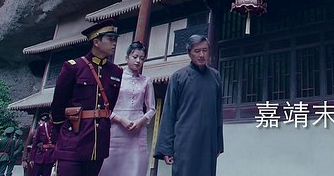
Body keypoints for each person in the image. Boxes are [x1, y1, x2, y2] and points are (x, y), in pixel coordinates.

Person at [50, 19, 122, 176]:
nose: (114, 43)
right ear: (96, 42)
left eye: (115, 39)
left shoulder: (116, 72)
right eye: (110, 39)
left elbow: (111, 105)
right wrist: (61, 135)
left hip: (98, 142)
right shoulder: (73, 67)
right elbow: (58, 105)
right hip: (72, 139)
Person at [154, 35, 223, 176]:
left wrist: (218, 143)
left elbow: (218, 113)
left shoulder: (215, 76)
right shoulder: (178, 77)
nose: (202, 55)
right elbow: (169, 113)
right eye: (197, 51)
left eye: (205, 50)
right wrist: (167, 148)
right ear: (189, 53)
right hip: (185, 140)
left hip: (208, 140)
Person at [99, 41, 155, 176]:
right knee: (110, 166)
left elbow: (152, 109)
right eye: (135, 57)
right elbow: (105, 106)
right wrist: (120, 119)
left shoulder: (146, 81)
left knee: (134, 167)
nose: (138, 61)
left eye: (142, 58)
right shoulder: (115, 78)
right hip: (116, 129)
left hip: (137, 130)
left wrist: (140, 121)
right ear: (127, 58)